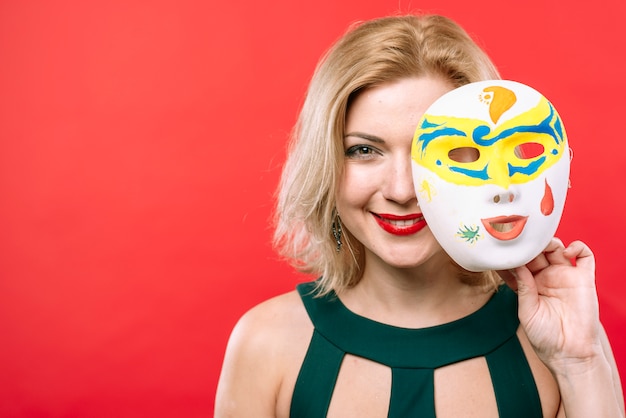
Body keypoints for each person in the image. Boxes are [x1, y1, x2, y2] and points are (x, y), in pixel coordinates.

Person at [215, 14, 624, 417]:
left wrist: (579, 364)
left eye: (431, 151)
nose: (401, 190)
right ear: (326, 164)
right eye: (363, 150)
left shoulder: (563, 340)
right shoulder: (264, 343)